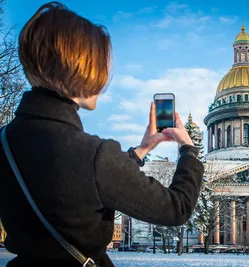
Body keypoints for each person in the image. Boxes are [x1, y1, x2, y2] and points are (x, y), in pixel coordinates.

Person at [0, 2, 204, 266]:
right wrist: (188, 151)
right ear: (80, 70)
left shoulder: (5, 141)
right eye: (100, 67)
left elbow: (84, 184)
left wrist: (141, 151)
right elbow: (178, 207)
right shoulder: (96, 156)